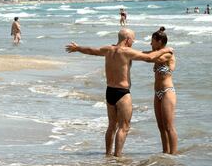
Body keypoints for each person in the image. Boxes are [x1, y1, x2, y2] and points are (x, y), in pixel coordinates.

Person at [65, 28, 173, 157]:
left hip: (109, 91)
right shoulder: (127, 51)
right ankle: (118, 156)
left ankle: (108, 155)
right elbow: (149, 57)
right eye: (133, 40)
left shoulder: (108, 49)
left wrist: (77, 48)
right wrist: (166, 50)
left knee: (111, 126)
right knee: (124, 127)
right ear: (127, 40)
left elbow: (91, 50)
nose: (133, 42)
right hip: (122, 93)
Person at [149, 27, 178, 154]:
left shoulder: (168, 54)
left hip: (167, 92)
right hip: (157, 93)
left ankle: (174, 154)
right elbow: (149, 56)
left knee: (169, 127)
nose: (150, 44)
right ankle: (165, 153)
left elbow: (156, 59)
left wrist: (165, 49)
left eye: (152, 41)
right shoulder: (156, 52)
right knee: (161, 127)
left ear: (159, 41)